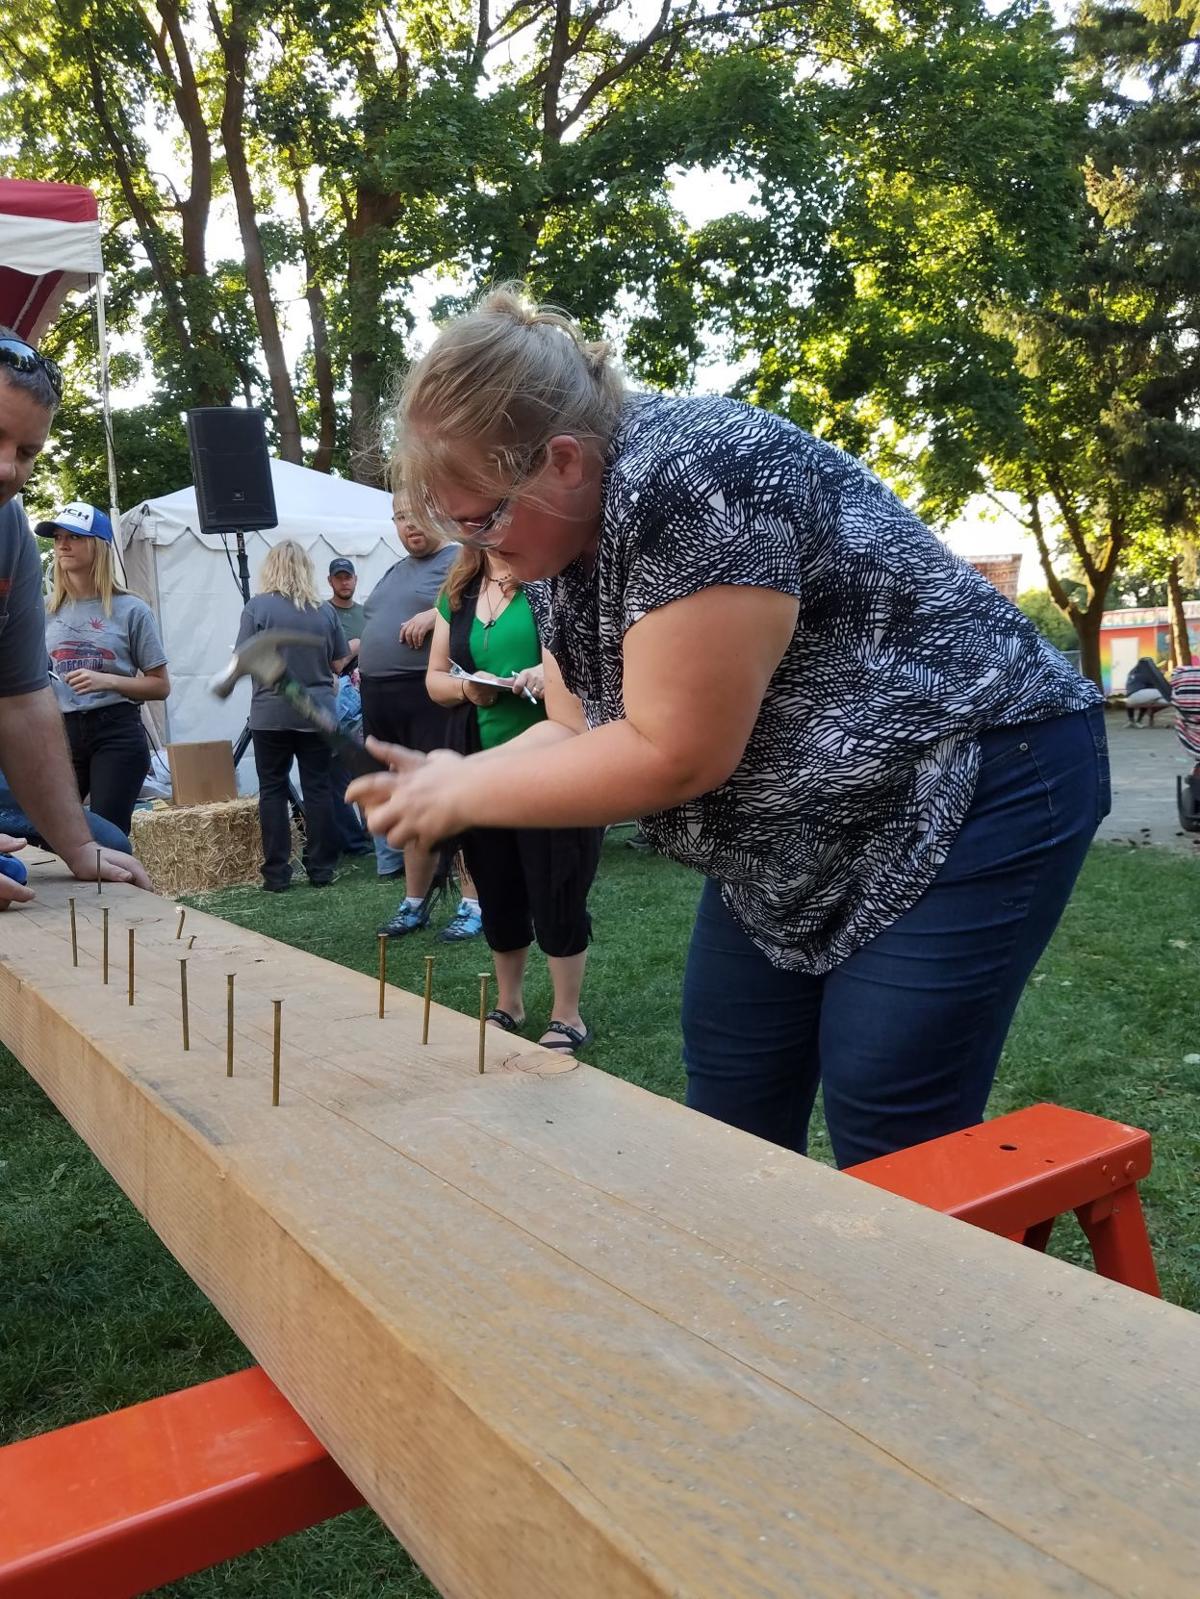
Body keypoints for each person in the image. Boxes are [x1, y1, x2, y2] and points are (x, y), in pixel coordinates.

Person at [349, 285, 1110, 1168]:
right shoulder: (563, 543)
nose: (471, 547)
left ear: (561, 459)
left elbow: (676, 753)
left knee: (891, 1109)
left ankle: (944, 1304)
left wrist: (468, 786)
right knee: (731, 1087)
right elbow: (575, 725)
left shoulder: (694, 476)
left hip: (979, 775)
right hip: (805, 823)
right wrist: (453, 782)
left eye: (477, 518)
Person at [427, 547, 601, 1050]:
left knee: (557, 879)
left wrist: (550, 677)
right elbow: (435, 679)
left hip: (553, 763)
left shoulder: (552, 577)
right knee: (495, 880)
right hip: (483, 763)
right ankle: (510, 1004)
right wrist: (467, 690)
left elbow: (593, 659)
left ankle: (568, 1014)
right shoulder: (457, 593)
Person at [0, 327, 149, 907]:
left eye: (27, 452)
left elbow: (20, 699)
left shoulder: (9, 527)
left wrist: (77, 845)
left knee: (105, 838)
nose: (8, 470)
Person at [362, 496, 481, 939]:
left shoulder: (460, 558)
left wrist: (436, 613)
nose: (409, 525)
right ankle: (414, 902)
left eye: (417, 515)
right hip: (383, 698)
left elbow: (482, 598)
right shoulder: (395, 570)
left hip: (428, 697)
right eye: (400, 516)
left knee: (449, 797)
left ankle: (473, 903)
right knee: (412, 799)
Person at [38, 501, 170, 838]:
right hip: (61, 733)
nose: (62, 545)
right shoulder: (44, 613)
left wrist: (107, 680)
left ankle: (122, 890)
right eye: (57, 538)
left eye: (74, 537)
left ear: (98, 545)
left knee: (109, 837)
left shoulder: (131, 610)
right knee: (47, 832)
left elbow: (160, 686)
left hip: (116, 731)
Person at [235, 540, 347, 891]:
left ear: (270, 567)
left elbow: (243, 657)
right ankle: (321, 868)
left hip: (271, 711)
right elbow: (339, 661)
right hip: (316, 711)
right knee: (318, 788)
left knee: (272, 788)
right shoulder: (324, 611)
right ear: (306, 569)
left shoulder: (257, 608)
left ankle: (276, 873)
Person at [322, 558, 372, 857]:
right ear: (330, 581)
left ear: (355, 579)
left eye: (349, 577)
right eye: (339, 578)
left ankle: (371, 832)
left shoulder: (365, 614)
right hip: (335, 700)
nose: (345, 583)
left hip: (364, 699)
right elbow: (330, 661)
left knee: (366, 767)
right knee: (337, 771)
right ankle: (349, 838)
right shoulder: (324, 613)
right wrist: (354, 646)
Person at [1124, 658, 1171, 726]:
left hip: (1129, 698)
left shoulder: (1133, 671)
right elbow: (1157, 685)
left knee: (1150, 699)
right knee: (1162, 692)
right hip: (1138, 694)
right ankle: (1138, 721)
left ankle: (1133, 721)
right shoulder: (1145, 672)